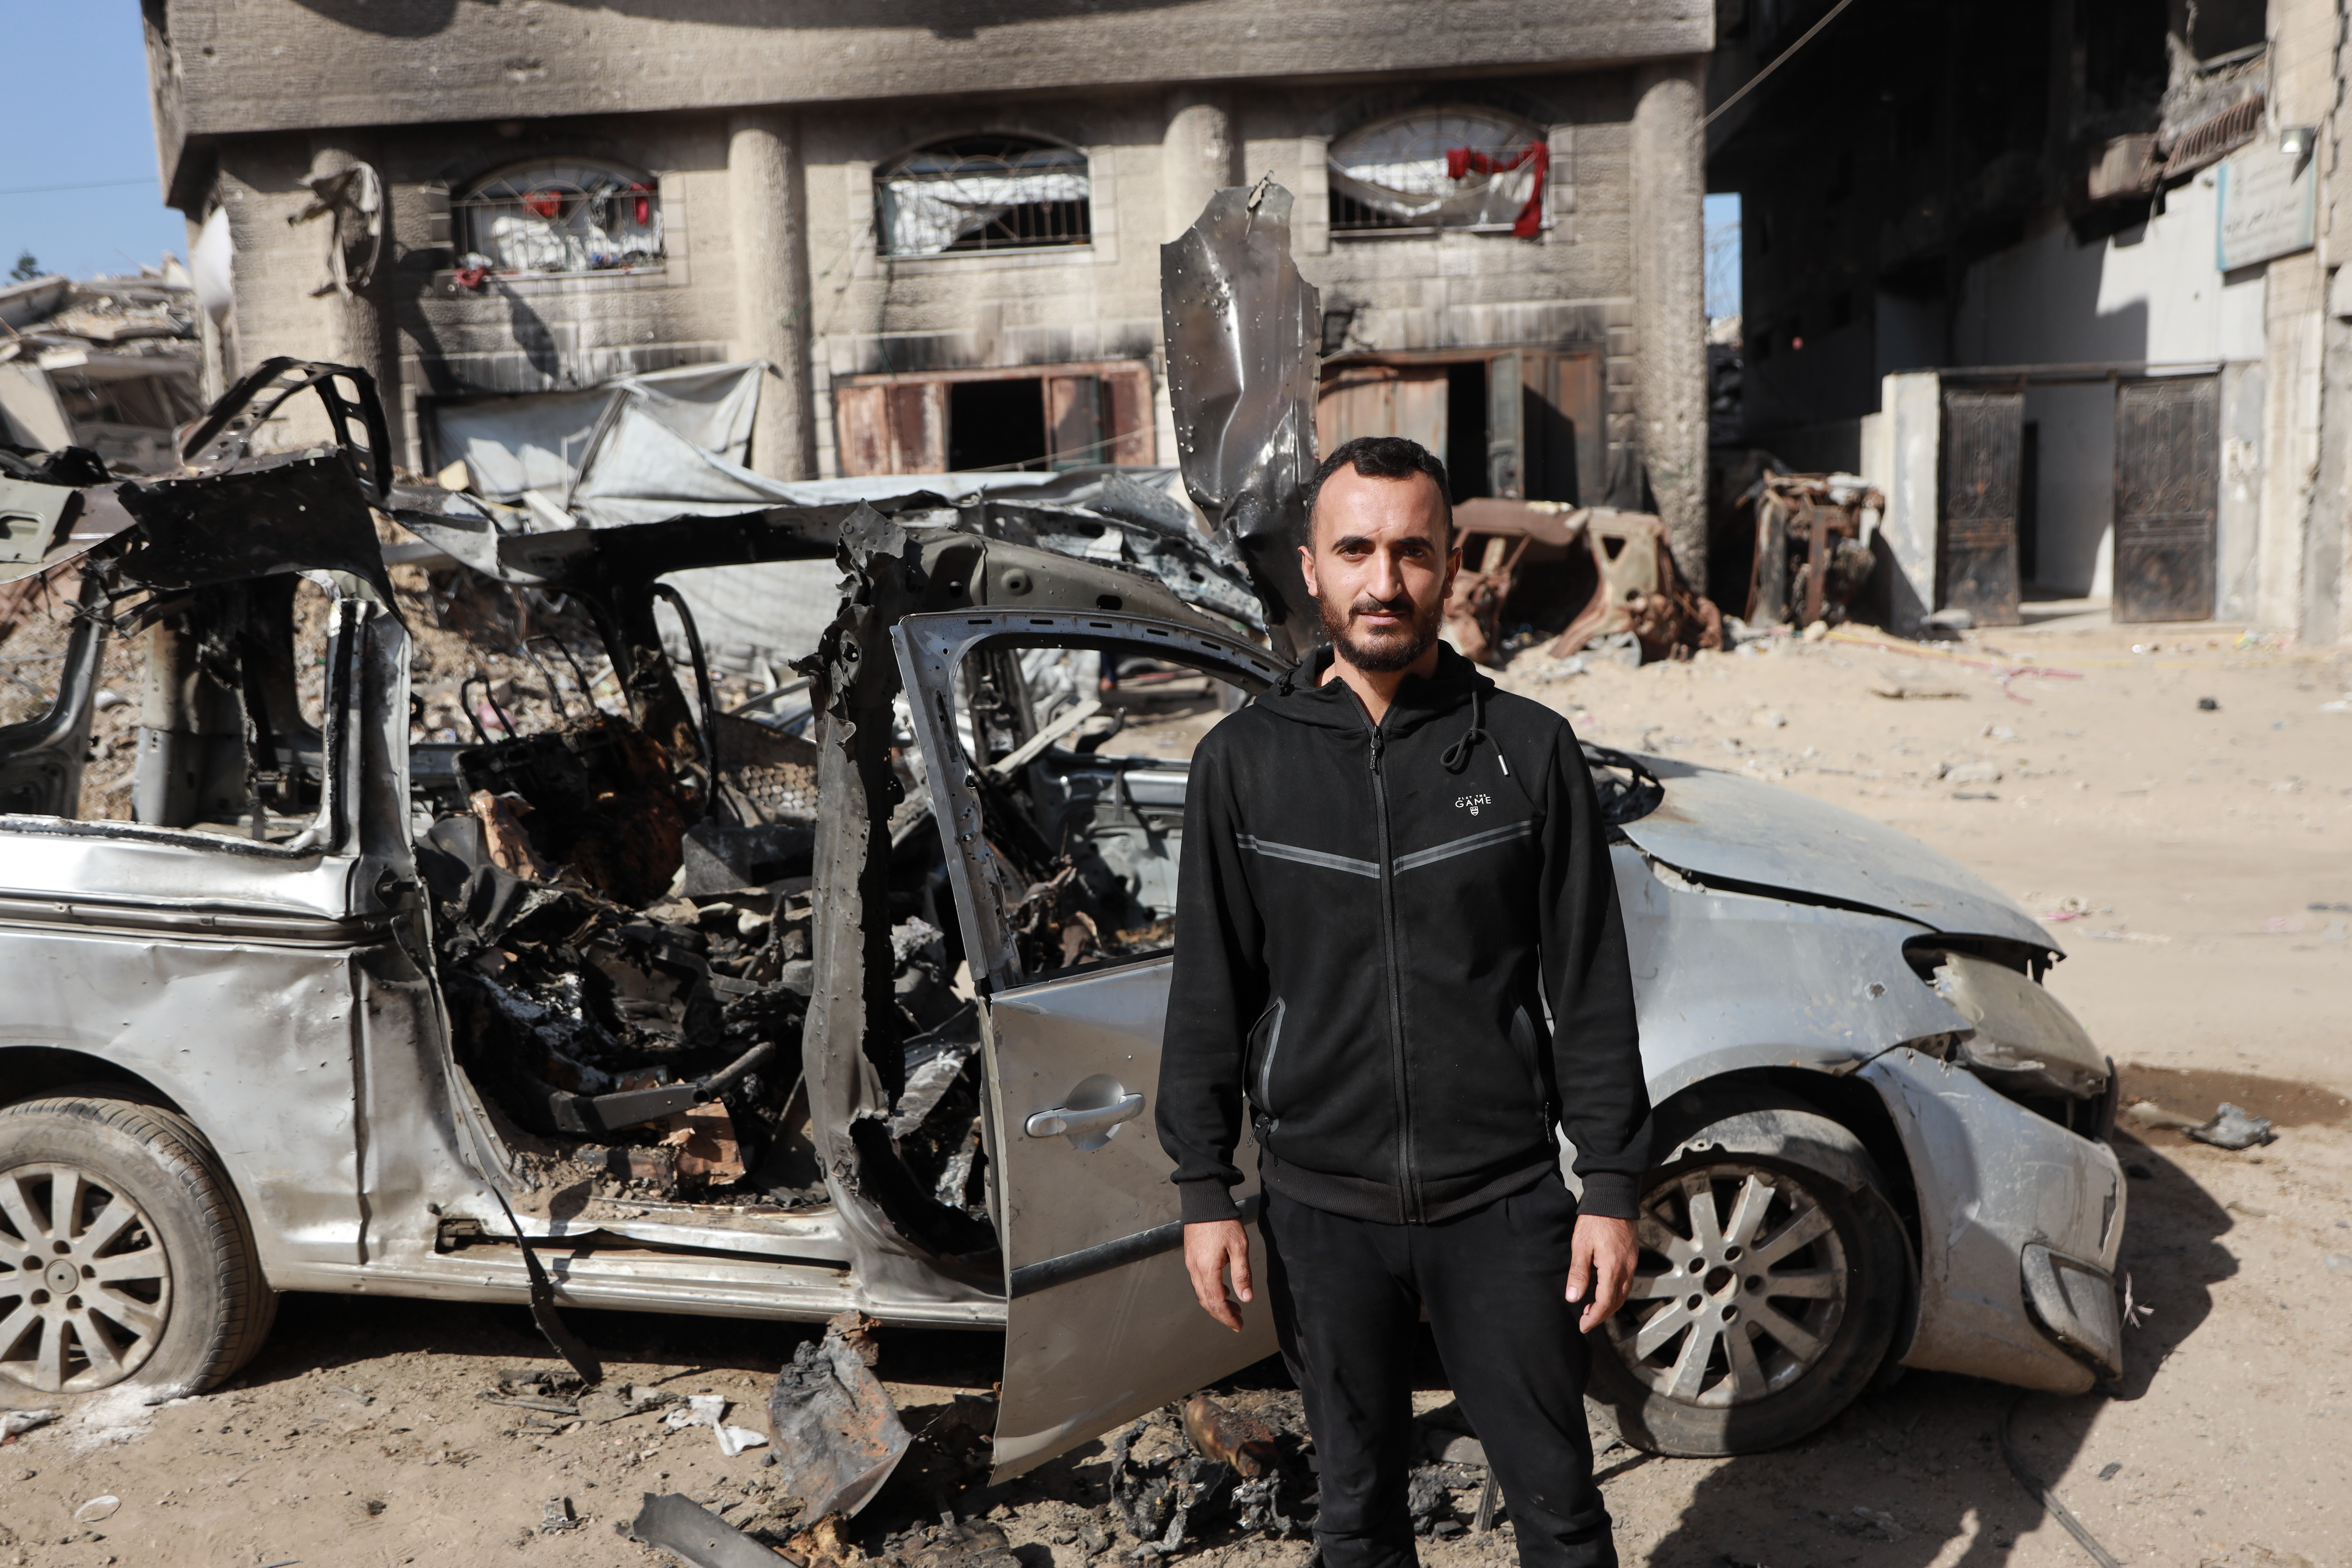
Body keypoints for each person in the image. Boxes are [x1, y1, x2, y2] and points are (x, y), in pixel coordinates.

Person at [1155, 435, 1652, 1568]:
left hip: (1505, 1206)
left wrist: (1612, 1185)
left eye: (1413, 552)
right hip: (1321, 1216)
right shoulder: (1241, 765)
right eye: (1357, 550)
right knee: (1356, 1519)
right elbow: (1210, 993)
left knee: (1564, 1518)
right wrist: (1204, 1188)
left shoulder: (1529, 753)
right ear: (1311, 568)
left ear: (1450, 564)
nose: (1385, 582)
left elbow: (1590, 983)